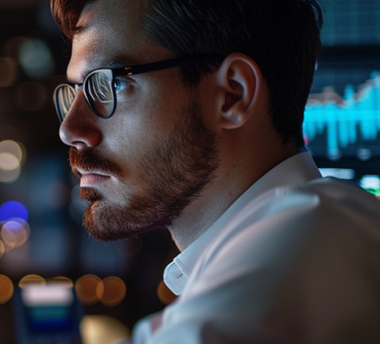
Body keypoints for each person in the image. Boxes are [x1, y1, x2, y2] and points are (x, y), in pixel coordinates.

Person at [49, 0, 380, 342]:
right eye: (76, 91)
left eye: (110, 84)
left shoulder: (315, 232)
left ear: (231, 94)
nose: (69, 129)